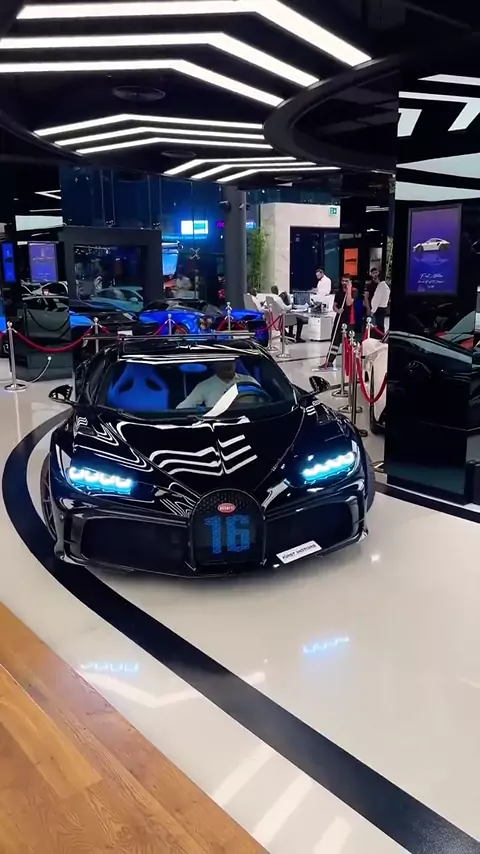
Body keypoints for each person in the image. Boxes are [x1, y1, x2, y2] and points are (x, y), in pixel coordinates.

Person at [177, 360, 259, 409]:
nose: (227, 364)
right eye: (223, 362)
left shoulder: (249, 380)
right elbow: (181, 408)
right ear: (214, 365)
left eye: (229, 360)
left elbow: (264, 400)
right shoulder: (204, 386)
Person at [323, 276, 357, 369]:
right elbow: (334, 306)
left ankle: (350, 362)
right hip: (339, 318)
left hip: (349, 319)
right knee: (335, 340)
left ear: (350, 282)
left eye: (346, 281)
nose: (344, 283)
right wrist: (337, 310)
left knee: (348, 341)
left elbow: (349, 302)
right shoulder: (339, 292)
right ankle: (329, 361)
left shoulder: (354, 291)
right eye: (343, 281)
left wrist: (349, 290)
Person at [368, 268, 390, 333]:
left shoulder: (381, 286)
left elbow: (376, 300)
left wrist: (372, 311)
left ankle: (379, 337)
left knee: (378, 326)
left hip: (379, 309)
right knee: (381, 325)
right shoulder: (385, 286)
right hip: (383, 308)